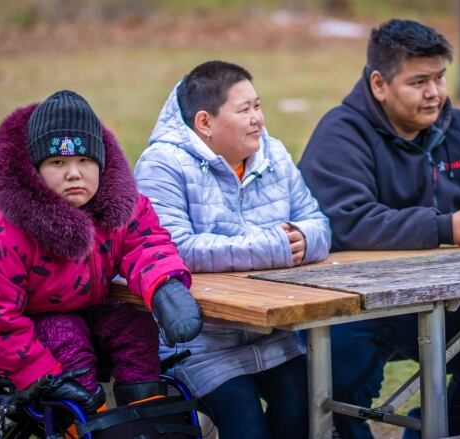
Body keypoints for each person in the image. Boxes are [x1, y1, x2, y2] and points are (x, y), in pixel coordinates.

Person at [297, 19, 460, 438]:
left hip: (446, 298)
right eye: (419, 81)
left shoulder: (456, 125)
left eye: (440, 78)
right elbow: (347, 220)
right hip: (357, 304)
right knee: (335, 381)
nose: (435, 93)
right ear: (379, 84)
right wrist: (447, 228)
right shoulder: (341, 133)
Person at [0, 90, 203, 411]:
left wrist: (166, 286)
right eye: (58, 162)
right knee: (65, 334)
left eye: (84, 160)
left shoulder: (122, 207)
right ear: (35, 170)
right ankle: (86, 420)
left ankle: (145, 416)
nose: (74, 173)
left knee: (133, 324)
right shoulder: (2, 232)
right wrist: (39, 376)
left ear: (100, 163)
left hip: (72, 301)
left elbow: (146, 244)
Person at [134, 60, 331, 439]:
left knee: (307, 409)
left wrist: (305, 240)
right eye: (244, 110)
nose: (258, 118)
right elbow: (175, 249)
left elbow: (317, 221)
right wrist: (274, 246)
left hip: (271, 331)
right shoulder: (162, 165)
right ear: (205, 123)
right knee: (248, 427)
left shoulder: (272, 153)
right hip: (199, 342)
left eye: (258, 106)